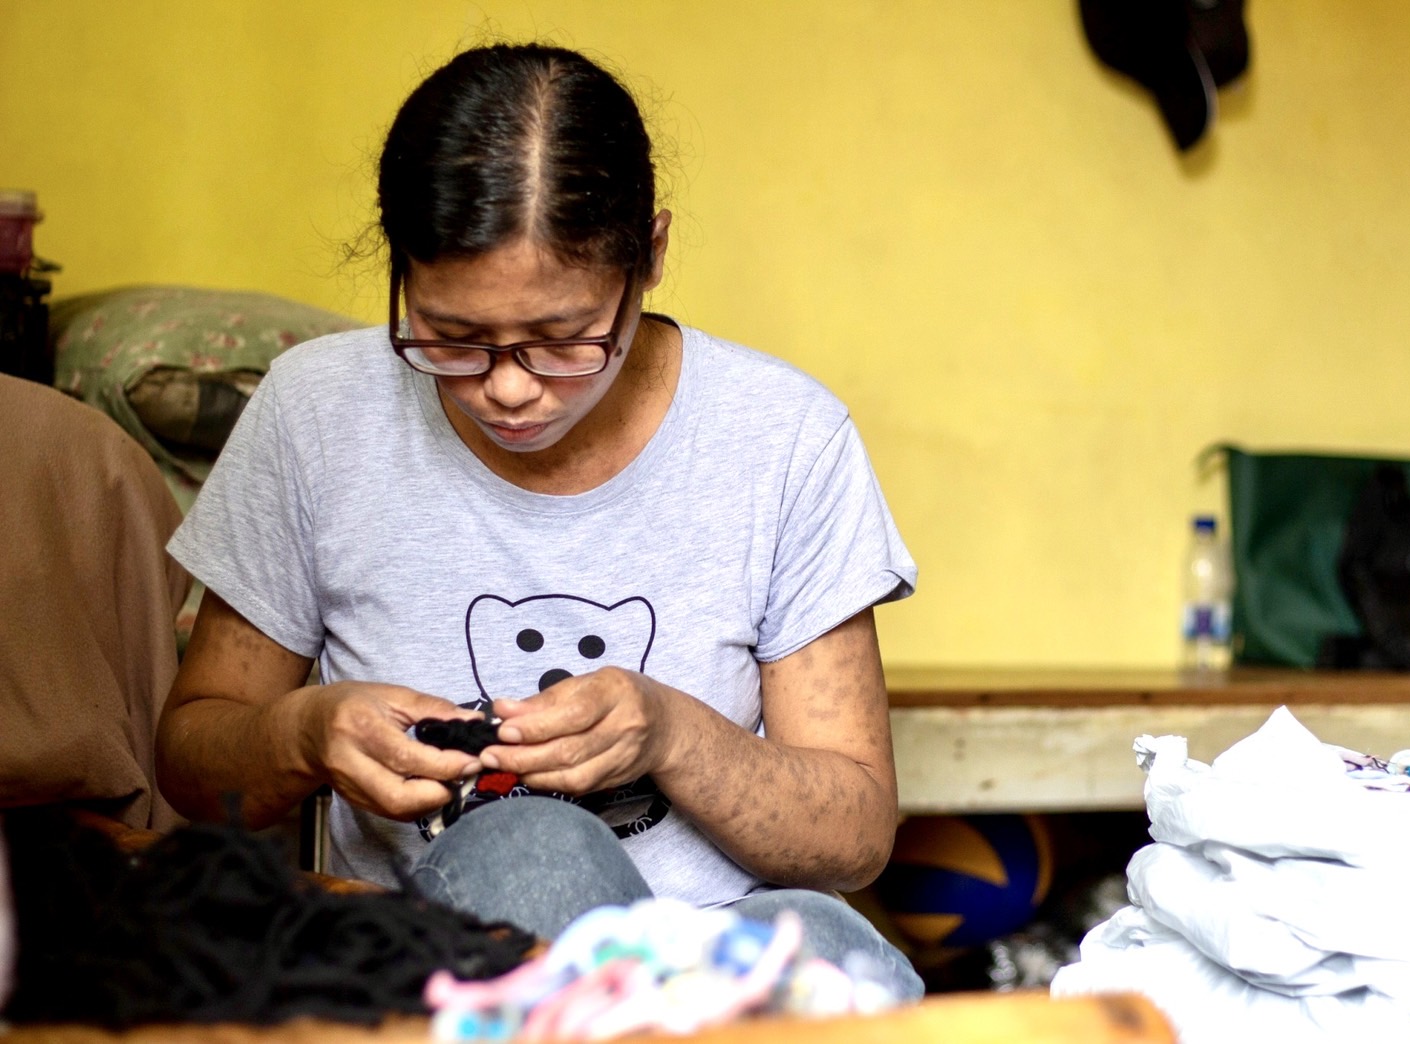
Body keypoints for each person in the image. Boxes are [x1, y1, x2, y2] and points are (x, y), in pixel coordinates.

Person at [155, 42, 921, 998]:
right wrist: (303, 735)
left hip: (722, 948)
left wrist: (670, 735)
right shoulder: (316, 416)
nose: (509, 390)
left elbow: (853, 835)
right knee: (526, 846)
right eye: (452, 337)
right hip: (442, 965)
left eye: (563, 340)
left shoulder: (784, 439)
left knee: (824, 944)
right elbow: (190, 760)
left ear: (650, 257)